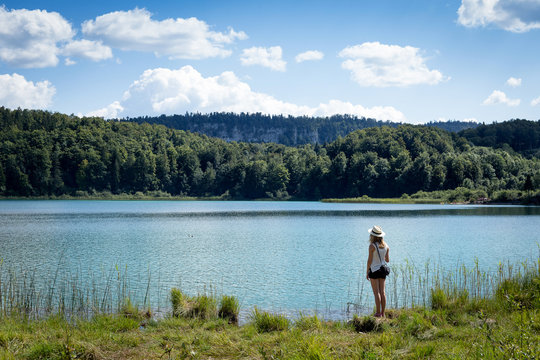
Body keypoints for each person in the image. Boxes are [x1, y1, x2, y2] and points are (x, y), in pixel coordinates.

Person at [366, 225, 390, 318]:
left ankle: (378, 313)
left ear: (372, 236)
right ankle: (383, 313)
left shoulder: (372, 246)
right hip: (383, 270)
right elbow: (387, 260)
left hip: (374, 270)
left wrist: (367, 272)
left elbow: (369, 261)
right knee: (383, 292)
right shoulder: (386, 246)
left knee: (377, 293)